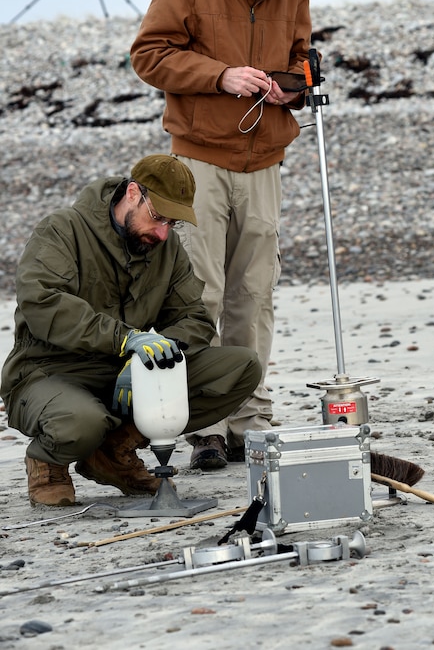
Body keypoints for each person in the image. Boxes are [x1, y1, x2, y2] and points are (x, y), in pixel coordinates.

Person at [130, 0, 312, 470]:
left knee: (254, 293)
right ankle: (203, 424)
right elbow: (149, 55)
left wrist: (292, 88)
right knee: (199, 291)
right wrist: (220, 75)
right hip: (199, 160)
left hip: (265, 162)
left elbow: (305, 64)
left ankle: (250, 421)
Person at [0, 155, 261, 507]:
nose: (163, 232)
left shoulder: (166, 246)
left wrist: (158, 351)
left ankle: (113, 452)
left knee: (240, 367)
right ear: (133, 193)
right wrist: (126, 340)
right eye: (157, 217)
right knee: (81, 424)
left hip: (124, 370)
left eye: (172, 222)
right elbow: (43, 303)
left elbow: (193, 316)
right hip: (49, 372)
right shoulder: (62, 230)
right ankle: (48, 460)